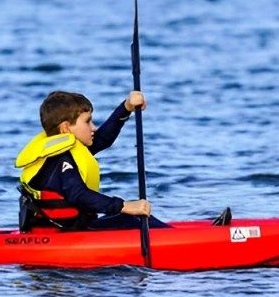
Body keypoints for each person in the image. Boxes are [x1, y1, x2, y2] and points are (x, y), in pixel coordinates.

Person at [15, 89, 169, 232]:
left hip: (75, 227)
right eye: (87, 122)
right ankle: (175, 240)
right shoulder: (60, 160)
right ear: (66, 128)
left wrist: (126, 107)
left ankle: (172, 234)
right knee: (131, 219)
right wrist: (124, 206)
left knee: (135, 218)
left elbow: (103, 138)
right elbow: (79, 195)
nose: (93, 127)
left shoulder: (71, 151)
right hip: (64, 233)